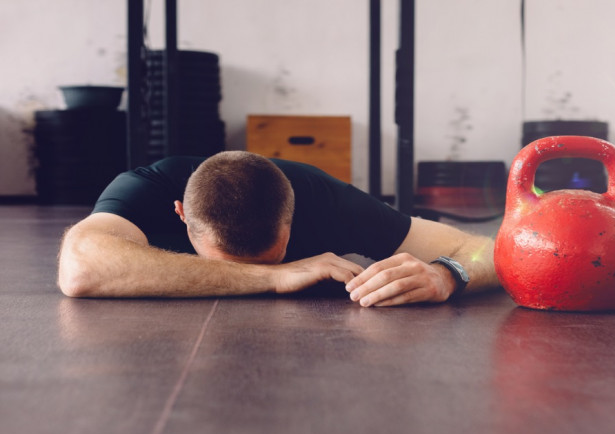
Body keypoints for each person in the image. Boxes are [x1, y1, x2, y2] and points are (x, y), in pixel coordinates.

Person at [58, 151, 499, 307]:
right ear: (180, 216)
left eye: (273, 256)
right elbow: (79, 270)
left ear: (294, 218)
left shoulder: (325, 198)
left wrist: (447, 275)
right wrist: (273, 275)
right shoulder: (144, 188)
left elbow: (488, 250)